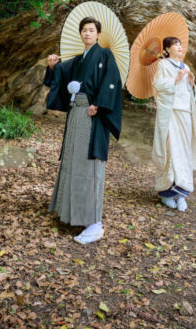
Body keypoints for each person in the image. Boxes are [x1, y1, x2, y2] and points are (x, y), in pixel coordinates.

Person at [44, 16, 122, 244]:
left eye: (91, 30)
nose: (87, 33)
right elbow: (60, 73)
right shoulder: (79, 60)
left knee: (89, 165)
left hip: (92, 115)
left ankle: (95, 223)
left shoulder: (105, 55)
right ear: (81, 35)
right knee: (72, 161)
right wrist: (52, 66)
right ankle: (71, 213)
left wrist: (98, 103)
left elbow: (112, 81)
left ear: (98, 34)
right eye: (84, 30)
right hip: (76, 113)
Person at [152, 36, 196, 212]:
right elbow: (157, 85)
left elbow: (188, 93)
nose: (179, 47)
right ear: (167, 50)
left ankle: (181, 194)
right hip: (170, 113)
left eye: (180, 45)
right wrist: (175, 79)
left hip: (184, 113)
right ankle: (167, 193)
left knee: (184, 150)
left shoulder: (185, 66)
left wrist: (190, 83)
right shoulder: (163, 65)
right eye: (175, 45)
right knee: (171, 149)